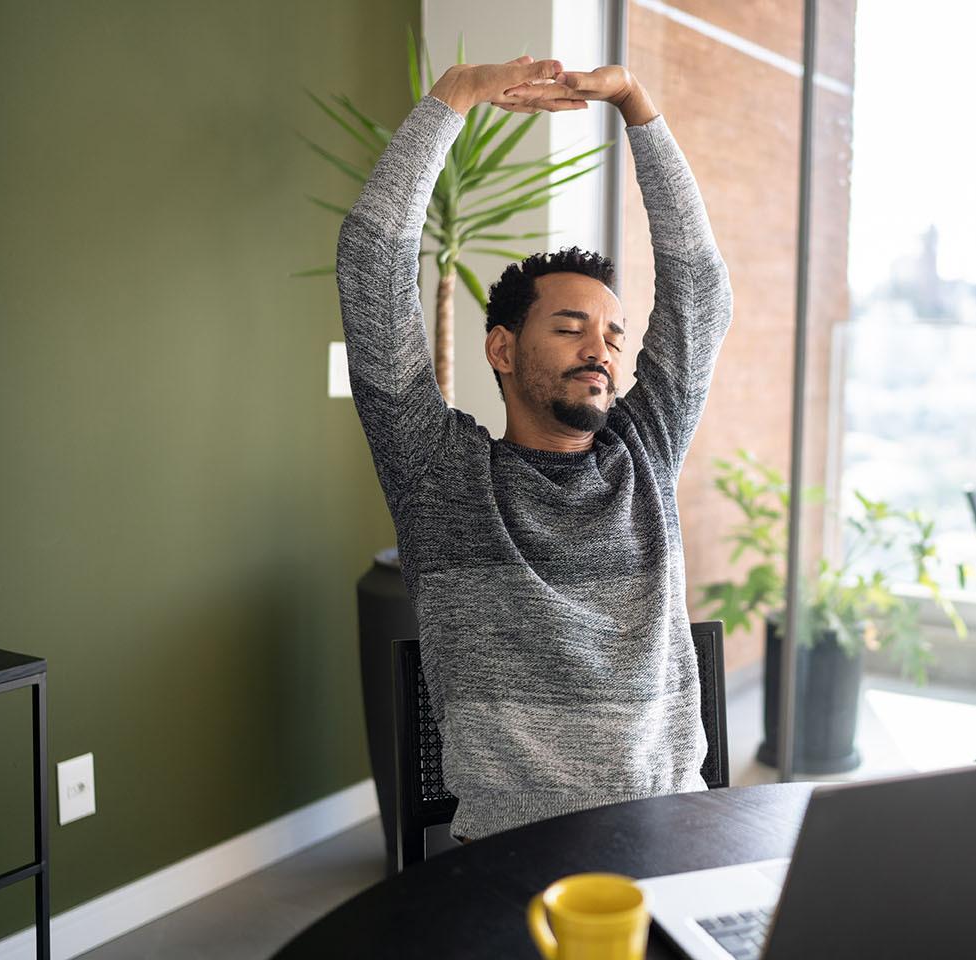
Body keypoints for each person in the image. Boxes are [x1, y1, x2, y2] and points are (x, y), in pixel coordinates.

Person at [336, 55, 733, 843]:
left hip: (672, 826)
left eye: (615, 336)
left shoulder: (642, 454)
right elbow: (370, 264)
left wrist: (637, 108)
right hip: (515, 855)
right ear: (502, 349)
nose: (603, 349)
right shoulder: (440, 476)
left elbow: (700, 292)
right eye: (570, 327)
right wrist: (454, 98)